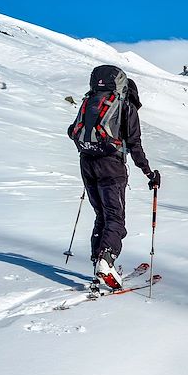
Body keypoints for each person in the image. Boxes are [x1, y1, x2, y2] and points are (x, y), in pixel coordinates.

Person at [69, 65, 160, 289]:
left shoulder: (91, 102)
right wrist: (149, 173)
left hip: (87, 163)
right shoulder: (126, 107)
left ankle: (98, 260)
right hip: (111, 167)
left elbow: (72, 130)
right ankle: (106, 259)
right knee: (115, 219)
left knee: (102, 215)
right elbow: (135, 145)